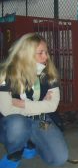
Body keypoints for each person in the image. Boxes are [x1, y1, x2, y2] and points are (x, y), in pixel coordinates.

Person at [0, 33, 68, 168]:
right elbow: (7, 110)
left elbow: (52, 106)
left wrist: (23, 104)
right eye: (40, 53)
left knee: (59, 158)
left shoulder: (49, 74)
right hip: (13, 122)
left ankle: (31, 143)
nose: (46, 56)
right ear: (26, 54)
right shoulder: (5, 74)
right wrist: (42, 105)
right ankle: (14, 154)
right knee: (18, 123)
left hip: (41, 121)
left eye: (46, 52)